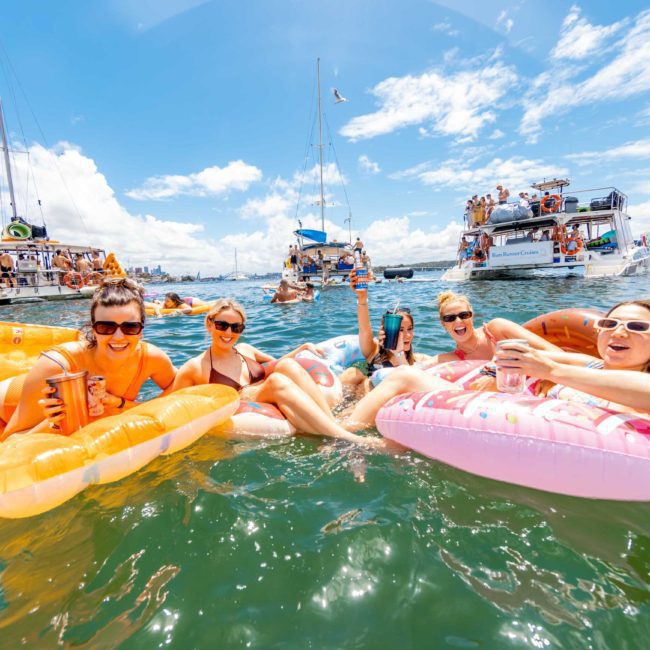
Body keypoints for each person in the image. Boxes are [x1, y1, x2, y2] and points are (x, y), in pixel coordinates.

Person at [172, 298, 382, 446]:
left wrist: (301, 348)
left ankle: (332, 424)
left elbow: (277, 363)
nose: (229, 333)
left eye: (236, 328)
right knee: (277, 381)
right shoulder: (195, 367)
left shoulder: (246, 350)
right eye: (222, 325)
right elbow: (173, 404)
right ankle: (348, 438)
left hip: (264, 391)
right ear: (209, 323)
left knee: (288, 366)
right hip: (243, 401)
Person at [343, 290, 562, 429]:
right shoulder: (450, 359)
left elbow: (553, 355)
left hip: (535, 388)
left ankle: (342, 428)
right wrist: (396, 351)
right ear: (443, 325)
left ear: (472, 315)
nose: (458, 321)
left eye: (463, 315)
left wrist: (549, 376)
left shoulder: (496, 329)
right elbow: (409, 374)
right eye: (450, 318)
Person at [2, 278, 176, 438]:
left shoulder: (152, 359)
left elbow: (184, 387)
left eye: (130, 327)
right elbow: (11, 442)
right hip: (9, 405)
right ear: (93, 329)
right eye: (105, 327)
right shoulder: (57, 366)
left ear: (141, 329)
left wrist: (118, 403)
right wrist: (54, 421)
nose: (118, 337)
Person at [495, 300, 650, 414]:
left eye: (637, 327)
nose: (618, 332)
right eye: (609, 324)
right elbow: (525, 356)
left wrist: (551, 371)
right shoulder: (591, 365)